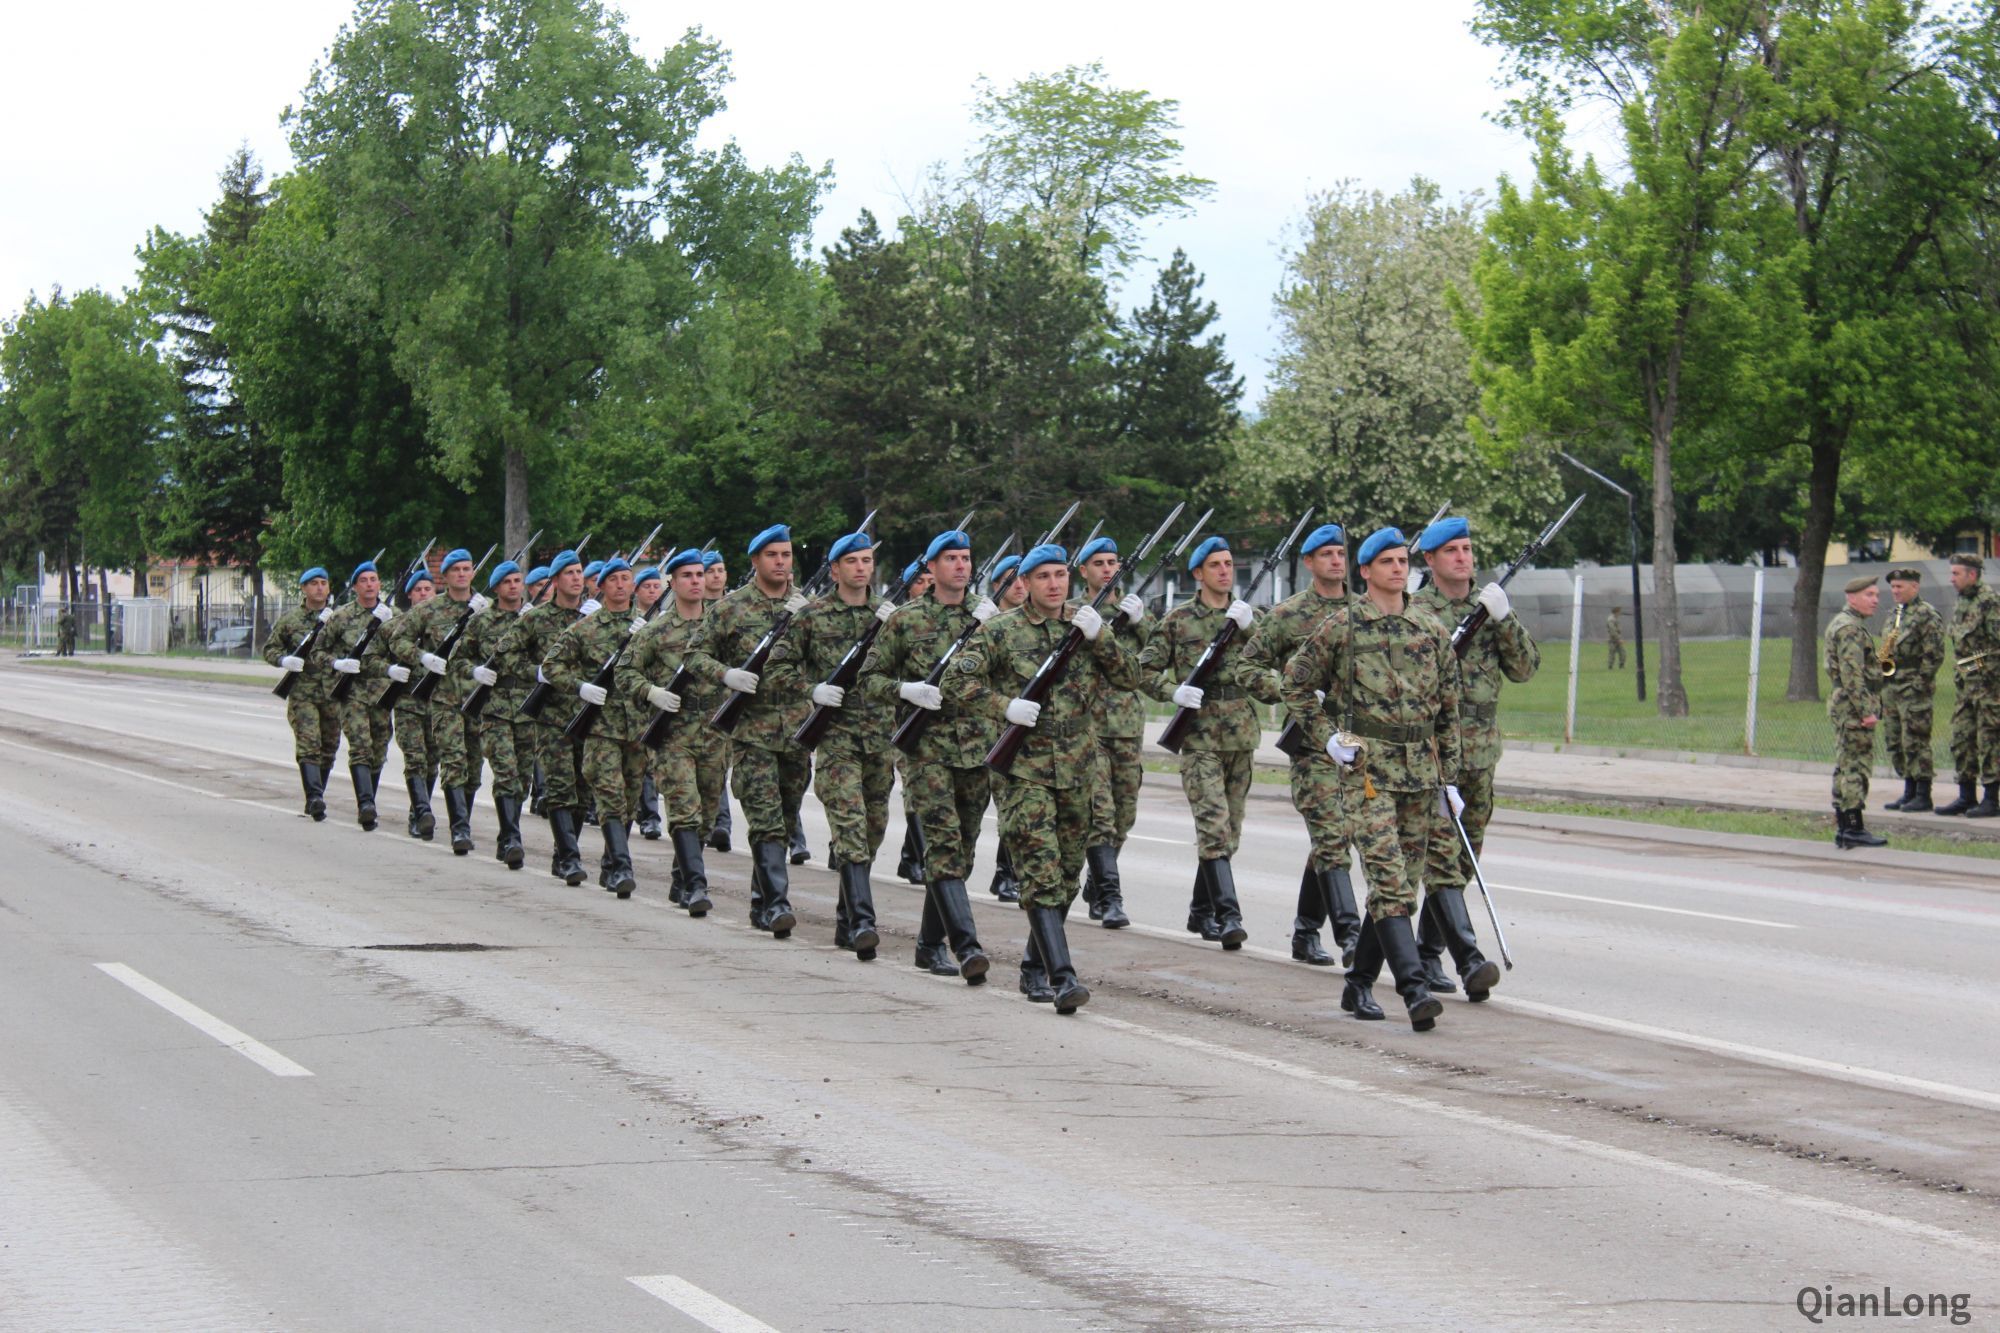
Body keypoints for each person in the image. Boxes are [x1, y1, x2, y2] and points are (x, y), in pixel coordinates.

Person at [1280, 527, 1458, 1032]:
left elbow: (1449, 711)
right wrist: (1326, 736)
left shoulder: (1431, 628)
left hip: (1422, 774)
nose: (1398, 569)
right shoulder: (1343, 627)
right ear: (1366, 572)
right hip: (1368, 773)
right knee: (1386, 877)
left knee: (1401, 892)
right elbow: (1295, 685)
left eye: (1402, 560)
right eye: (1386, 562)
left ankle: (1358, 983)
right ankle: (1414, 989)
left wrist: (1452, 780)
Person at [949, 543, 1139, 1014]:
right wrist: (1003, 707)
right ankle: (1063, 976)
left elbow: (1131, 676)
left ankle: (1035, 967)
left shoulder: (1085, 625)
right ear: (1026, 583)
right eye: (1044, 577)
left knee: (1067, 877)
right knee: (1038, 870)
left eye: (1060, 575)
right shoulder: (1001, 631)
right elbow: (956, 679)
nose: (1055, 584)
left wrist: (1104, 639)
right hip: (1023, 770)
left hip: (1077, 768)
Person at [860, 530, 997, 981]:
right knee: (941, 847)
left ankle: (926, 944)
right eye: (951, 559)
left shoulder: (989, 618)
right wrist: (905, 690)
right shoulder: (905, 619)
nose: (961, 566)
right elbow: (869, 679)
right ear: (932, 568)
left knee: (965, 851)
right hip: (927, 752)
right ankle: (966, 947)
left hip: (978, 749)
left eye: (966, 558)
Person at [1409, 517, 1535, 1000]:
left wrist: (1505, 620)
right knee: (1441, 858)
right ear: (1431, 560)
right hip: (1436, 754)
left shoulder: (1490, 607)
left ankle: (1425, 954)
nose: (1463, 557)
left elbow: (1524, 669)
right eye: (1452, 551)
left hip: (1480, 753)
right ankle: (1468, 960)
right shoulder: (1417, 610)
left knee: (1464, 860)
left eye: (1467, 549)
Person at [1237, 522, 1361, 966]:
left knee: (1337, 840)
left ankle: (1305, 932)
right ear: (1309, 562)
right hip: (1312, 744)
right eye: (1325, 554)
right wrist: (1293, 688)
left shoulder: (1364, 610)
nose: (1335, 561)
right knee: (1331, 837)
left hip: (1359, 746)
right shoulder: (1287, 615)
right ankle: (1351, 936)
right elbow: (1247, 668)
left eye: (1340, 553)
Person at [766, 531, 895, 960]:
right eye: (852, 561)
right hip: (836, 739)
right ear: (835, 569)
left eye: (866, 561)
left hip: (879, 739)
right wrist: (812, 689)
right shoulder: (812, 616)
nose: (861, 568)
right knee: (851, 828)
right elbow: (777, 666)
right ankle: (862, 921)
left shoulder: (889, 617)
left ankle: (845, 919)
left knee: (873, 830)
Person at [685, 525, 811, 937]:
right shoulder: (730, 608)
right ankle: (777, 904)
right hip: (751, 731)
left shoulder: (806, 609)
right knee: (766, 819)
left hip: (796, 730)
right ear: (755, 561)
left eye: (786, 554)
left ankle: (761, 901)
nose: (780, 562)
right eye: (772, 555)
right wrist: (727, 675)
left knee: (788, 819)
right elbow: (694, 655)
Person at [1138, 534, 1258, 950]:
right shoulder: (1177, 620)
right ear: (1197, 573)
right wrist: (1172, 692)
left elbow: (1281, 665)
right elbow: (1144, 670)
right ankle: (1228, 916)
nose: (1225, 571)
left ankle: (1200, 909)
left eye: (1229, 563)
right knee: (1213, 827)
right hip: (1200, 736)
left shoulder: (1247, 618)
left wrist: (1252, 629)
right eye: (1216, 565)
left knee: (1231, 835)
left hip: (1241, 734)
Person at [619, 548, 715, 916]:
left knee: (706, 813)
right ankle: (695, 886)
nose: (695, 581)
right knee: (684, 809)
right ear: (672, 584)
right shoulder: (656, 630)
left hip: (712, 733)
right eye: (687, 576)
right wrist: (652, 692)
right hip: (673, 734)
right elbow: (626, 673)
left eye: (699, 575)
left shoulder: (719, 625)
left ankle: (681, 876)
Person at [545, 559, 647, 897]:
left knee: (631, 799)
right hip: (600, 728)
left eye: (626, 579)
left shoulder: (647, 628)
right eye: (614, 579)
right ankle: (621, 866)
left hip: (636, 728)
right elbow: (552, 666)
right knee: (609, 796)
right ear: (601, 586)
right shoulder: (586, 628)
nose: (621, 585)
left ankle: (608, 864)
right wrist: (580, 687)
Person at [387, 548, 488, 855]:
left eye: (466, 568)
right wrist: (423, 657)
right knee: (453, 761)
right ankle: (459, 829)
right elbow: (397, 639)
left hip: (477, 697)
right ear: (444, 576)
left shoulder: (485, 608)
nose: (461, 573)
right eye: (455, 569)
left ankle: (463, 818)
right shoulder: (428, 610)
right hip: (443, 698)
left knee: (474, 764)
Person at [497, 549, 590, 882]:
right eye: (569, 573)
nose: (576, 578)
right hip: (551, 715)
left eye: (579, 571)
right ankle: (569, 858)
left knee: (583, 790)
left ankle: (562, 852)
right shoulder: (535, 618)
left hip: (588, 714)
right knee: (560, 787)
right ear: (554, 581)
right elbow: (504, 655)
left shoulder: (595, 617)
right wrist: (535, 672)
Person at [1074, 536, 1150, 929]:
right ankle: (1110, 898)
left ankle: (1098, 881)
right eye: (1099, 563)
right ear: (1083, 570)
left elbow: (1154, 658)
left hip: (1127, 729)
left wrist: (1141, 623)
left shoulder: (1135, 614)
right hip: (1088, 729)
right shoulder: (1073, 612)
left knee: (1124, 817)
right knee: (1100, 815)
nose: (1107, 569)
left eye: (1113, 562)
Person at [461, 560, 533, 869]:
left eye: (518, 580)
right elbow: (459, 657)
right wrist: (475, 672)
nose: (514, 586)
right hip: (494, 708)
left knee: (524, 778)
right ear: (496, 588)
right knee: (506, 772)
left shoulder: (534, 619)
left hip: (527, 707)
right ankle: (513, 838)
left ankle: (507, 835)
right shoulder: (482, 621)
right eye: (507, 582)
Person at [263, 567, 345, 820]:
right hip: (303, 692)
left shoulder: (340, 618)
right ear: (303, 588)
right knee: (309, 743)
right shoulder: (291, 620)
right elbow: (269, 649)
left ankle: (316, 792)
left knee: (329, 746)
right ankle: (315, 797)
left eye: (323, 583)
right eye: (314, 584)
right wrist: (284, 660)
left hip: (333, 691)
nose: (319, 587)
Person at [325, 559, 397, 832]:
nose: (370, 585)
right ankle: (366, 804)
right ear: (355, 587)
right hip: (352, 691)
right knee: (360, 745)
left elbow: (405, 645)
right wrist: (338, 664)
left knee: (379, 748)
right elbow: (320, 651)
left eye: (374, 579)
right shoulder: (341, 617)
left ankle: (370, 799)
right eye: (364, 580)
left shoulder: (392, 613)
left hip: (381, 691)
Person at [1825, 575, 1888, 848]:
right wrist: (1865, 711)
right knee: (1856, 766)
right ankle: (1853, 827)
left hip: (1844, 703)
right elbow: (1852, 675)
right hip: (1853, 706)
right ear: (1851, 597)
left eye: (1876, 595)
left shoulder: (1844, 623)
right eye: (1869, 595)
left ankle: (1844, 826)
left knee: (1845, 763)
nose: (1875, 600)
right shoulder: (1850, 628)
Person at [1936, 554, 2000, 817]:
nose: (1951, 579)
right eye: (1951, 574)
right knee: (1962, 739)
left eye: (1956, 574)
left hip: (1989, 688)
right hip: (1967, 689)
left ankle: (1991, 799)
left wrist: (1970, 667)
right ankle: (1966, 795)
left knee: (1989, 741)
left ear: (1972, 575)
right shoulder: (1963, 601)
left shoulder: (1989, 602)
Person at [1879, 568, 1946, 813]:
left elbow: (1934, 654)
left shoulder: (1926, 614)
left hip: (1913, 688)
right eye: (1893, 587)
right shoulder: (1894, 614)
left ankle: (1923, 793)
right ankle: (1908, 789)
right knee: (1895, 740)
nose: (1895, 591)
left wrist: (1919, 685)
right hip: (1892, 686)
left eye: (1900, 587)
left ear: (1914, 587)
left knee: (1915, 740)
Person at [984, 555, 1029, 904]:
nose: (1019, 586)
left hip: (1022, 728)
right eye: (1010, 579)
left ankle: (1006, 875)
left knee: (1014, 806)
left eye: (1023, 579)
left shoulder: (1032, 625)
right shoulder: (985, 623)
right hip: (985, 724)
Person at [391, 567, 440, 839]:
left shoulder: (446, 624)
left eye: (428, 589)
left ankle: (418, 811)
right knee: (415, 758)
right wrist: (389, 670)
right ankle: (422, 812)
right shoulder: (397, 624)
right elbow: (372, 657)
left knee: (433, 760)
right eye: (418, 590)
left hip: (437, 703)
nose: (424, 594)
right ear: (410, 595)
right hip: (408, 701)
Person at [893, 558, 932, 888]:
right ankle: (920, 858)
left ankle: (910, 858)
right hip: (907, 722)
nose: (927, 585)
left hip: (945, 728)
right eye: (920, 581)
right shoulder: (900, 621)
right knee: (916, 794)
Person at [699, 549, 735, 853]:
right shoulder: (692, 611)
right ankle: (712, 823)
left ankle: (721, 824)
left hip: (726, 701)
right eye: (709, 570)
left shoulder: (735, 610)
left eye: (720, 570)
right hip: (694, 705)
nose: (715, 576)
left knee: (720, 766)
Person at [631, 567, 666, 839]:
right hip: (632, 703)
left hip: (658, 700)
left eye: (657, 586)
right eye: (648, 586)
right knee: (637, 766)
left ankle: (652, 817)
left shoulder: (666, 623)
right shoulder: (629, 621)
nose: (653, 591)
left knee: (651, 763)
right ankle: (643, 814)